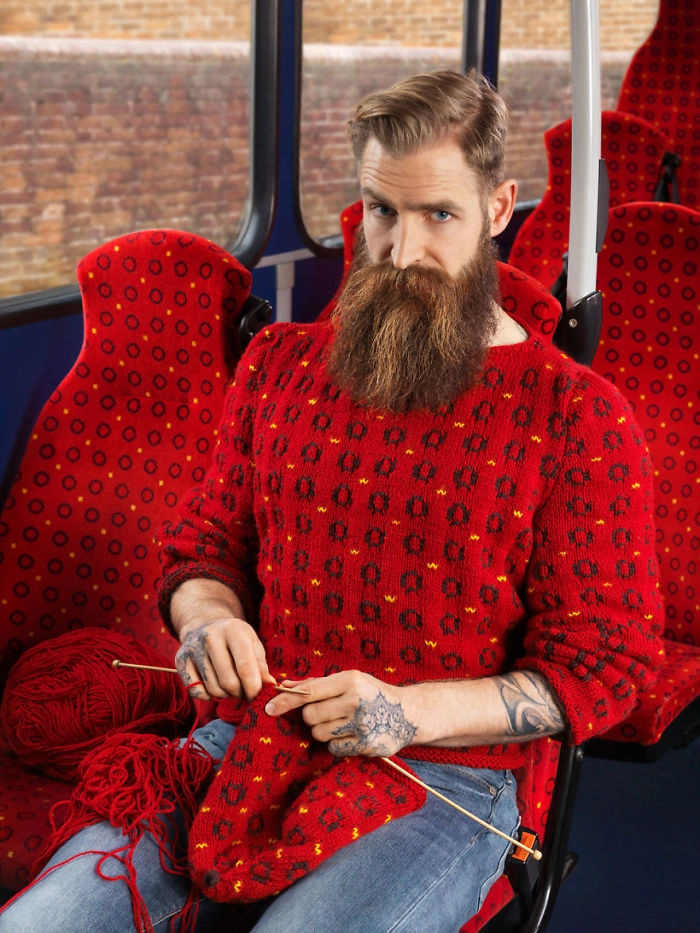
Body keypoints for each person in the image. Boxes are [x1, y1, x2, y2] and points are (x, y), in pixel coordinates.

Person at [0, 69, 663, 933]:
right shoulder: (278, 365)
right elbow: (204, 547)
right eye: (383, 209)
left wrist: (408, 710)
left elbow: (607, 664)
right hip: (246, 739)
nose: (401, 250)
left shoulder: (575, 413)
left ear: (499, 208)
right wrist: (208, 619)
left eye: (439, 214)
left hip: (448, 776)